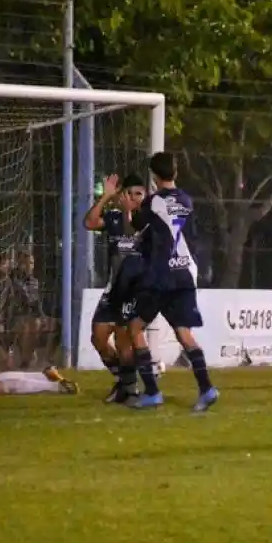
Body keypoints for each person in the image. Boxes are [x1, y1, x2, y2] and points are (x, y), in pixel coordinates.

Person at [123, 151, 218, 412]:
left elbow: (135, 228)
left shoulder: (153, 202)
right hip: (184, 274)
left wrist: (128, 209)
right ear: (175, 173)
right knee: (184, 334)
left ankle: (152, 392)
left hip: (160, 278)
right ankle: (207, 388)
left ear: (154, 176)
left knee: (135, 328)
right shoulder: (186, 200)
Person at [83, 172, 147, 403]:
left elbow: (133, 231)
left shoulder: (148, 221)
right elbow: (89, 222)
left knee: (123, 339)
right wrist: (105, 198)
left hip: (135, 291)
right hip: (113, 290)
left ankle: (129, 389)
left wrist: (130, 211)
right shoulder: (113, 218)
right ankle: (124, 381)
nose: (133, 197)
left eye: (138, 193)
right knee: (98, 338)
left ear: (145, 196)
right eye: (128, 193)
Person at [2, 250, 59, 368]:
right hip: (14, 317)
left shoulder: (34, 282)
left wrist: (43, 317)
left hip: (31, 316)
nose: (29, 267)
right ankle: (26, 360)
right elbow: (9, 302)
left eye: (32, 263)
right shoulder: (11, 280)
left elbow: (36, 303)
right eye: (26, 263)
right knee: (31, 325)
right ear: (19, 264)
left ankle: (46, 359)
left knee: (56, 325)